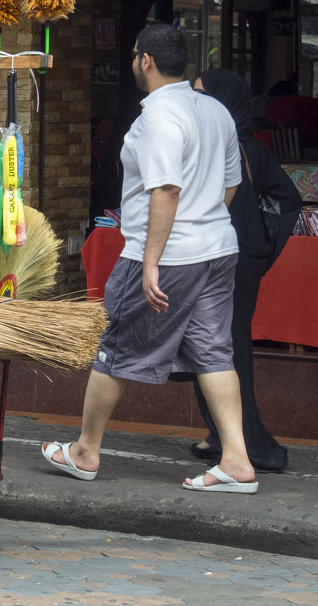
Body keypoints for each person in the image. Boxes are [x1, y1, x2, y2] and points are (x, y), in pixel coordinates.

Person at [41, 24, 258, 494]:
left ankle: (84, 452)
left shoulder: (158, 116)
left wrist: (153, 261)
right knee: (215, 351)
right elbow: (231, 183)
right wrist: (202, 222)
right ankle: (237, 460)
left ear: (146, 61)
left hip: (164, 254)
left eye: (136, 54)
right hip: (218, 249)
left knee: (115, 346)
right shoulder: (214, 110)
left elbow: (165, 190)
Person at [190, 68, 302, 472]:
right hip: (227, 254)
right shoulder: (219, 143)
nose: (196, 102)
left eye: (204, 95)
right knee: (209, 344)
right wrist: (261, 243)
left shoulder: (243, 148)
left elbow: (287, 198)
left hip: (234, 259)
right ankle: (222, 433)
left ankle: (254, 446)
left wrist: (259, 244)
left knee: (228, 348)